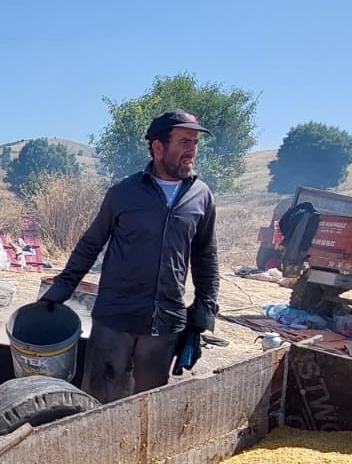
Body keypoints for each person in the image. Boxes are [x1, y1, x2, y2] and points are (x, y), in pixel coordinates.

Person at [40, 109, 220, 404]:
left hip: (164, 323)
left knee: (146, 408)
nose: (192, 150)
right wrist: (60, 290)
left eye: (195, 143)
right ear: (158, 147)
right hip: (116, 317)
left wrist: (201, 317)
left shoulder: (201, 196)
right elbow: (90, 244)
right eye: (184, 142)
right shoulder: (124, 192)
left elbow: (206, 258)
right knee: (98, 401)